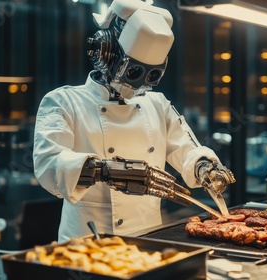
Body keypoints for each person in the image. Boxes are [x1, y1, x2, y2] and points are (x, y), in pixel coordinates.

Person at [32, 0, 235, 243]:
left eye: (150, 75)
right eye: (133, 72)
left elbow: (186, 148)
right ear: (105, 53)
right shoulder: (63, 101)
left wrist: (206, 168)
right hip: (88, 244)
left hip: (150, 239)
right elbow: (47, 164)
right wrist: (104, 170)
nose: (139, 85)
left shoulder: (156, 104)